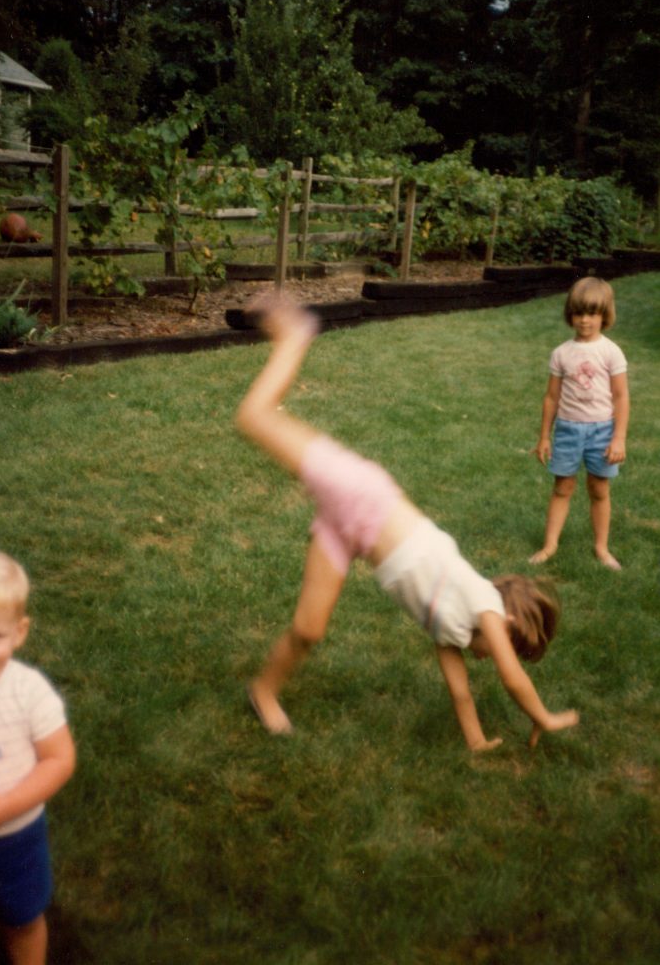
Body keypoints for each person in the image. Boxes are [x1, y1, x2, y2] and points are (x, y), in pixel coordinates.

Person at [235, 296, 579, 750]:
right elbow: (512, 679)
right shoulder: (485, 607)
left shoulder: (450, 631)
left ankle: (263, 691)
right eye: (506, 648)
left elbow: (459, 692)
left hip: (350, 530)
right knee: (253, 416)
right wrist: (543, 716)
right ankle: (294, 337)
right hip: (361, 496)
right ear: (508, 621)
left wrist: (476, 741)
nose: (490, 659)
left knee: (309, 629)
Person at [0, 549, 76, 965]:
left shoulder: (28, 691)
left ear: (19, 633)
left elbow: (58, 760)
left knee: (22, 917)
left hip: (14, 835)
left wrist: (0, 808)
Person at [530, 276, 629, 570]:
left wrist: (619, 438)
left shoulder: (611, 352)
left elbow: (621, 397)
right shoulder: (561, 353)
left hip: (602, 431)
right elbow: (551, 397)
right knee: (563, 488)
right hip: (568, 431)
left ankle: (601, 548)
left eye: (593, 314)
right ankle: (550, 545)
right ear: (570, 314)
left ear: (604, 315)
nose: (585, 321)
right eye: (579, 313)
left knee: (599, 489)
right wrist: (545, 437)